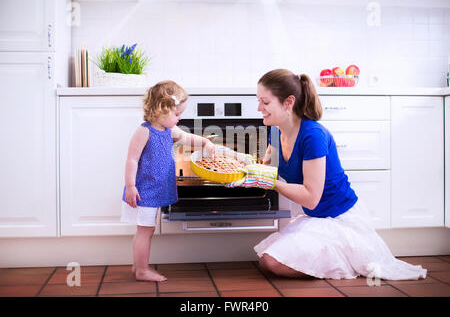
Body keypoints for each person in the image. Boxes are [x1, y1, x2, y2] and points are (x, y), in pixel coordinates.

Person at [228, 68, 427, 281]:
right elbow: (264, 169)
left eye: (265, 103)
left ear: (288, 103)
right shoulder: (276, 131)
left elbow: (311, 197)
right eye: (259, 101)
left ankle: (344, 261)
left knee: (273, 261)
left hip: (339, 219)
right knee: (267, 260)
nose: (259, 108)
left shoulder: (312, 135)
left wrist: (271, 182)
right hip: (315, 219)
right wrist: (233, 160)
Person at [121, 80, 215, 282]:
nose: (180, 118)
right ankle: (142, 270)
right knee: (145, 231)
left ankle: (138, 266)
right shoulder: (145, 131)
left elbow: (188, 138)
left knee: (147, 230)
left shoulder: (169, 130)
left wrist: (205, 141)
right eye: (177, 114)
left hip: (155, 190)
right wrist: (130, 185)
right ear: (160, 110)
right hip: (144, 191)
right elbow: (132, 159)